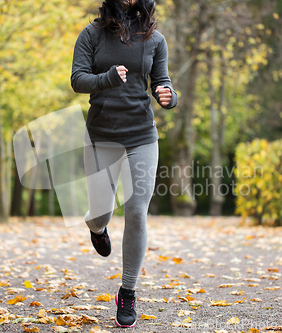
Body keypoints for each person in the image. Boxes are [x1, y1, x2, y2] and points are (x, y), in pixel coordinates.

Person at [70, 0, 178, 328]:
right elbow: (77, 79)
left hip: (142, 134)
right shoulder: (91, 34)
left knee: (136, 211)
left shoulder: (154, 39)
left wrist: (169, 96)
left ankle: (128, 290)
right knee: (101, 211)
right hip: (102, 134)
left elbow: (164, 81)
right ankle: (98, 228)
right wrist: (106, 79)